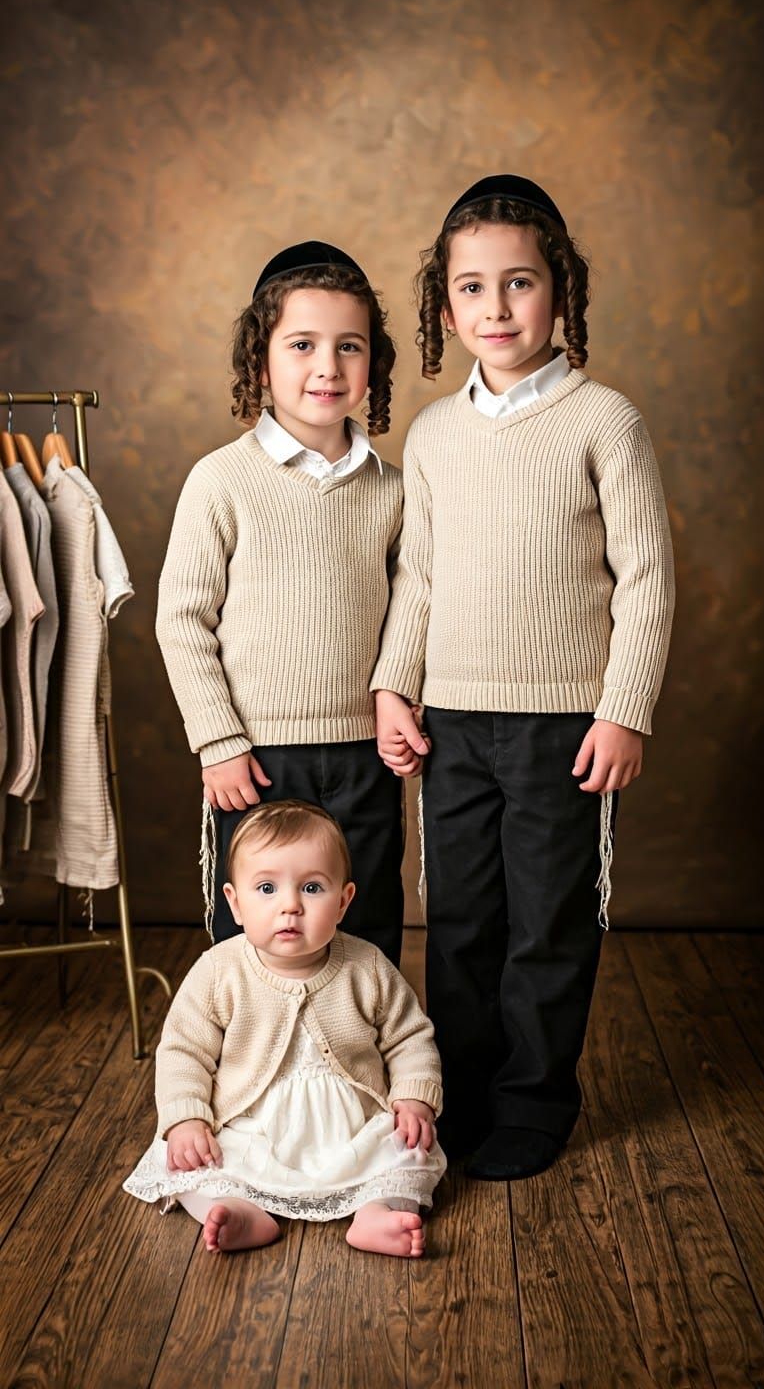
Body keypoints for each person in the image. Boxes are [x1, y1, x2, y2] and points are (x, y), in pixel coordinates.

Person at [371, 175, 675, 1180]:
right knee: (460, 922)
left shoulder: (606, 422)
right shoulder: (431, 436)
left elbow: (648, 579)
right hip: (454, 723)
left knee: (548, 923)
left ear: (562, 292)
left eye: (519, 284)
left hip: (564, 729)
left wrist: (623, 709)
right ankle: (458, 1094)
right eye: (470, 289)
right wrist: (391, 689)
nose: (495, 310)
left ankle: (534, 1103)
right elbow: (417, 575)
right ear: (443, 305)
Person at [156, 242, 405, 961]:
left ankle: (357, 1061)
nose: (327, 366)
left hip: (365, 753)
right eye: (302, 345)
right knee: (261, 934)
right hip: (256, 756)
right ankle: (262, 1067)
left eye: (348, 347)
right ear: (260, 363)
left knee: (364, 918)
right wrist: (219, 742)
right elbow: (182, 620)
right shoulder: (221, 481)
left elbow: (412, 602)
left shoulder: (391, 490)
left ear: (372, 366)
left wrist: (399, 694)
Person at [123, 801, 446, 1257]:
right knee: (187, 1164)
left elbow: (409, 1037)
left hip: (351, 1127)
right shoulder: (218, 971)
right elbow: (183, 1052)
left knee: (412, 1153)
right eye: (267, 888)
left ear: (343, 901)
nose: (290, 906)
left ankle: (375, 1213)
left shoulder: (367, 966)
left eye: (312, 888)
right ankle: (239, 1210)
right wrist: (187, 1119)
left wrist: (413, 1097)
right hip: (250, 1124)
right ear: (235, 903)